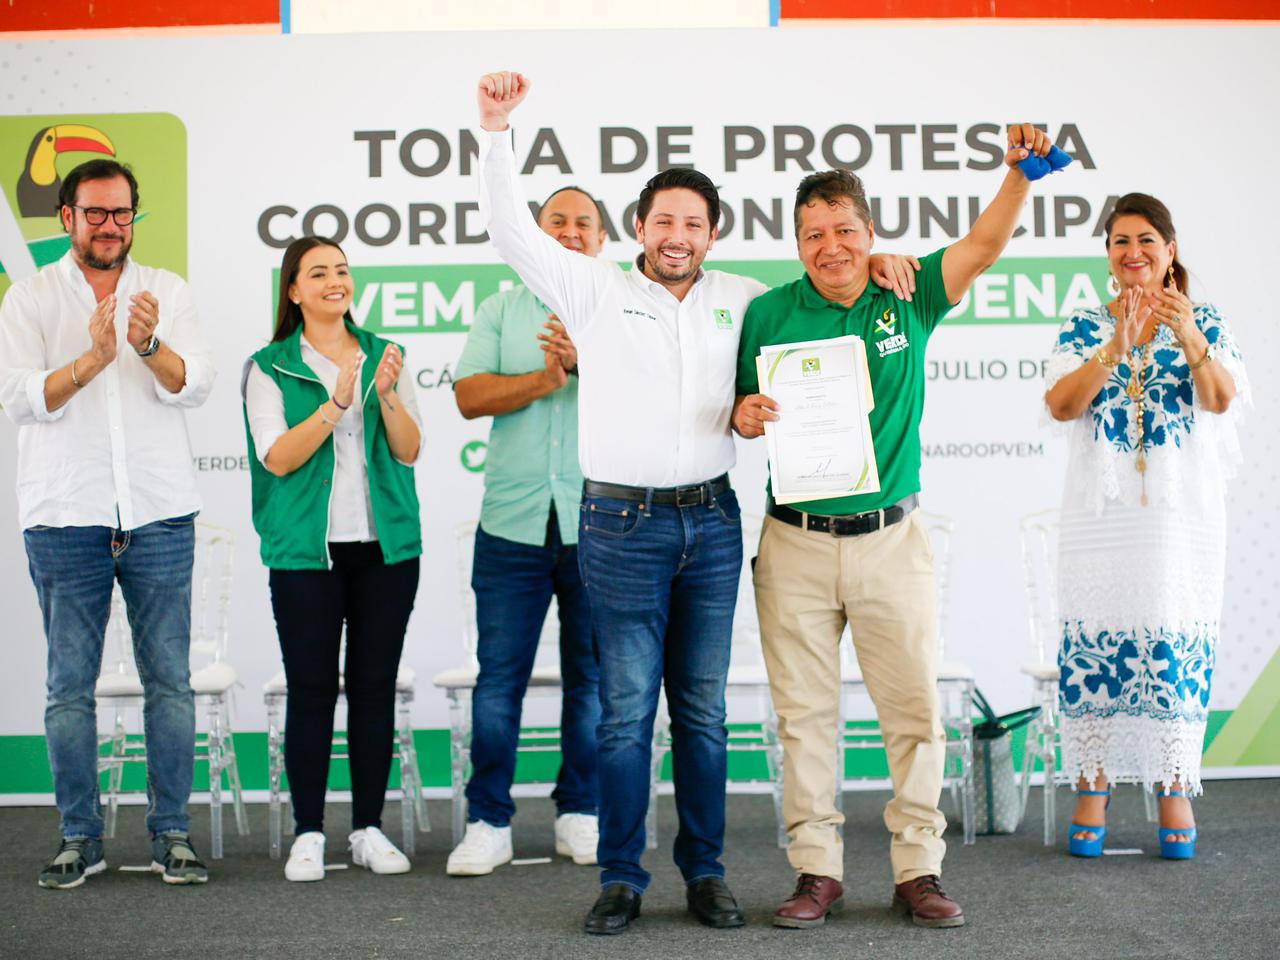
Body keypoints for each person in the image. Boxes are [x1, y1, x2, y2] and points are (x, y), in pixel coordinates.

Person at [475, 70, 917, 935]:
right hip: (620, 526)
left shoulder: (746, 301)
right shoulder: (591, 287)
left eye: (694, 224)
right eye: (663, 221)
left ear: (714, 235)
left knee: (706, 715)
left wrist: (883, 260)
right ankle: (620, 879)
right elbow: (507, 230)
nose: (678, 236)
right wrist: (497, 133)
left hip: (712, 522)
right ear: (638, 228)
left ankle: (707, 874)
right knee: (626, 714)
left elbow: (823, 316)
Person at [733, 125, 1058, 930]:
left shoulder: (906, 291)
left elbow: (982, 247)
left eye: (846, 230)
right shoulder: (766, 312)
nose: (830, 246)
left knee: (913, 714)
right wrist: (744, 413)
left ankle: (919, 869)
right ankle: (817, 871)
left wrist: (1019, 176)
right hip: (794, 542)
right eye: (813, 234)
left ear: (871, 234)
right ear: (798, 244)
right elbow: (739, 414)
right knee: (804, 717)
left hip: (892, 540)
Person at [0, 158, 215, 887]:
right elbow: (21, 397)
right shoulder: (28, 298)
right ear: (66, 217)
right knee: (68, 688)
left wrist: (149, 347)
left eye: (122, 214)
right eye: (95, 213)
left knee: (171, 685)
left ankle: (173, 834)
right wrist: (95, 357)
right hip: (66, 515)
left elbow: (196, 385)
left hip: (157, 512)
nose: (110, 227)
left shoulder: (167, 291)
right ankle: (78, 837)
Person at [1043, 193, 1245, 860]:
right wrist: (1116, 346)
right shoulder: (1082, 324)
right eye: (1120, 241)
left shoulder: (1205, 317)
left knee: (1169, 642)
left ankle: (1173, 784)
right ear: (1107, 255)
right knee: (1097, 643)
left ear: (1170, 249)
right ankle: (1093, 785)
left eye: (1146, 240)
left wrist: (1186, 334)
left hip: (1178, 518)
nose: (1133, 253)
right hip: (1100, 519)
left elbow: (1219, 398)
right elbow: (1061, 405)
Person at [242, 236, 424, 882]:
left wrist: (387, 395)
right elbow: (279, 457)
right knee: (313, 690)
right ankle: (311, 833)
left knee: (374, 689)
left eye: (341, 270)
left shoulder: (384, 353)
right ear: (293, 290)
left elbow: (408, 451)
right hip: (304, 555)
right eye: (317, 273)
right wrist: (337, 403)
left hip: (387, 549)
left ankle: (369, 830)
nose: (334, 281)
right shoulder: (269, 366)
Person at [446, 184, 605, 876]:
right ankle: (489, 821)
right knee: (498, 681)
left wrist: (588, 361)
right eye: (556, 222)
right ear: (532, 234)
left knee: (594, 682)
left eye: (583, 224)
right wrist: (545, 378)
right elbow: (468, 395)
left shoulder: (623, 309)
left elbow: (659, 397)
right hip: (510, 525)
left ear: (603, 240)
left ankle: (581, 813)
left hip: (603, 524)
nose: (570, 233)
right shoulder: (501, 308)